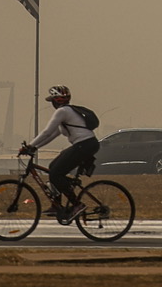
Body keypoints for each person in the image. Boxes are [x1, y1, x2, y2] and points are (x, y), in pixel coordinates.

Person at [19, 86, 101, 219]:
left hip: (84, 145)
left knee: (56, 174)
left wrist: (29, 145)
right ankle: (56, 206)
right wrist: (35, 148)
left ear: (54, 101)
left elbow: (47, 132)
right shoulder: (67, 113)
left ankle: (77, 204)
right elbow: (52, 135)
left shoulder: (62, 112)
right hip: (86, 145)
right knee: (53, 169)